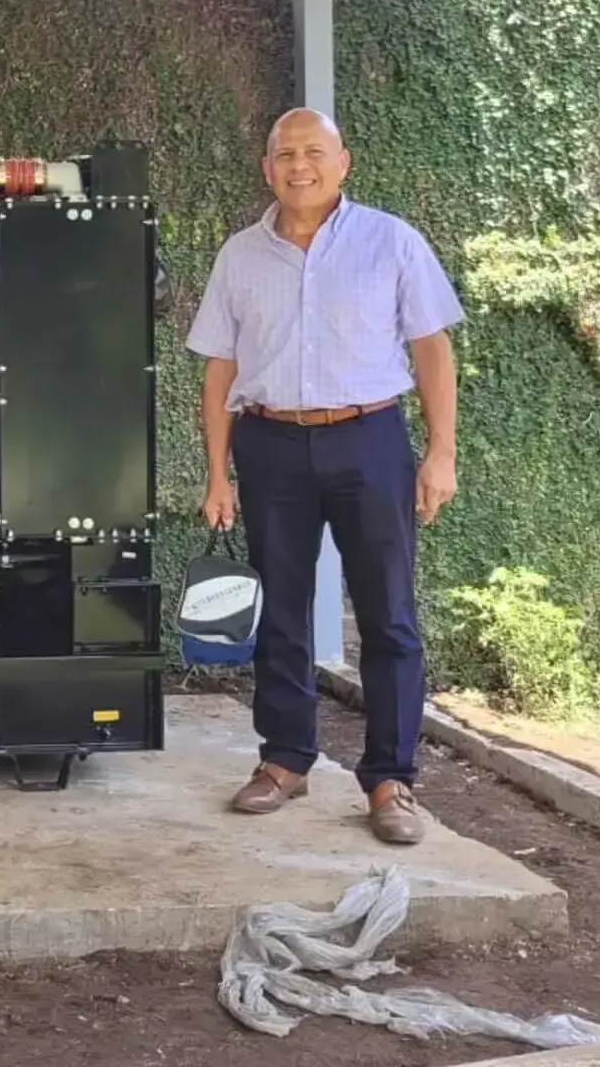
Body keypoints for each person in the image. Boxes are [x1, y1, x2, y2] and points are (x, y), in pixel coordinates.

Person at [186, 108, 461, 847]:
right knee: (279, 610)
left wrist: (440, 453)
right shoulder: (240, 256)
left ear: (343, 161)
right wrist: (217, 472)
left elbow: (432, 350)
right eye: (285, 154)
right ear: (266, 166)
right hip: (270, 445)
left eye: (314, 152)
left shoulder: (391, 242)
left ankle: (390, 779)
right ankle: (283, 761)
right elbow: (219, 371)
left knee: (388, 614)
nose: (298, 166)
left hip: (370, 438)